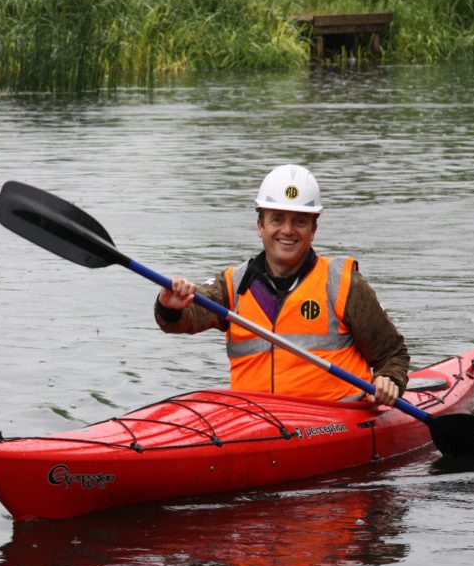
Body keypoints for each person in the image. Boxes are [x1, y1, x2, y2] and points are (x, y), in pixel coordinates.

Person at [154, 164, 409, 406]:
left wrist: (389, 379)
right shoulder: (232, 284)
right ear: (260, 226)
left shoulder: (343, 284)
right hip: (254, 420)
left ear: (313, 229)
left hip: (332, 423)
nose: (287, 230)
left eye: (299, 221)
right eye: (277, 219)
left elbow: (392, 355)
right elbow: (186, 318)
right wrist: (170, 306)